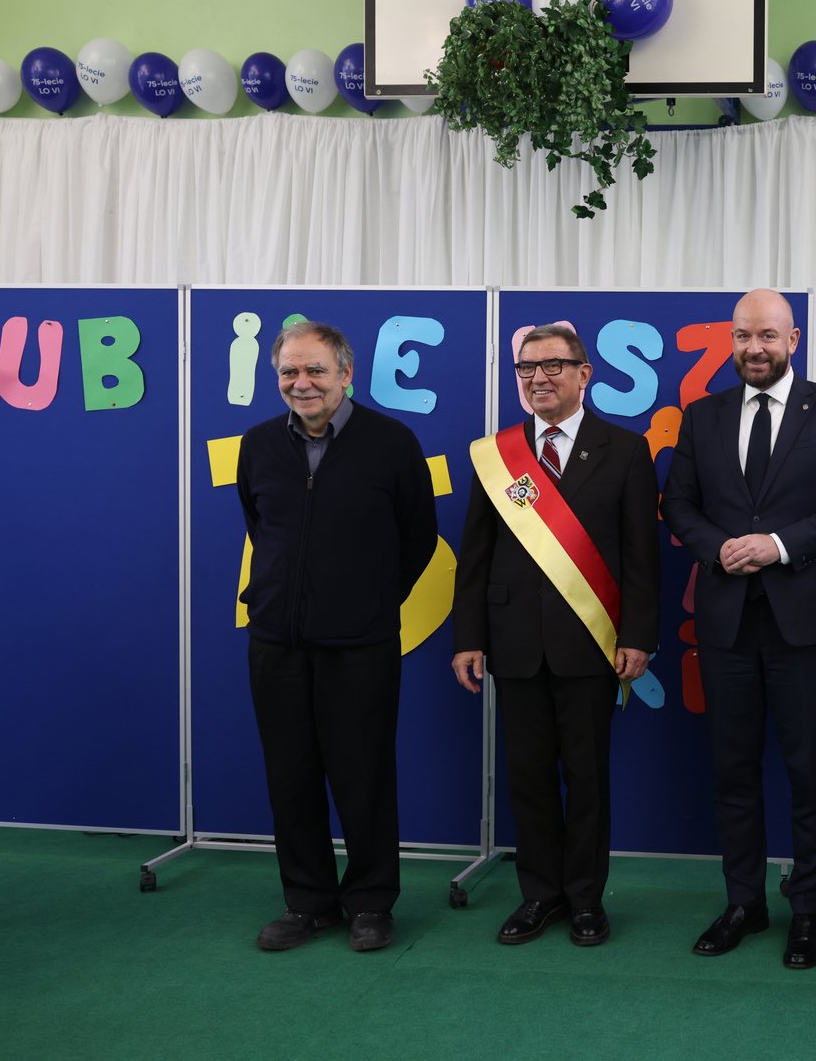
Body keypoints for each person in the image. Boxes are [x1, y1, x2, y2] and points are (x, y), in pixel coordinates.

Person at [661, 289, 816, 970]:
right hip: (725, 624)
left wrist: (777, 545)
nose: (754, 348)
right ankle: (743, 903)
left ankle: (807, 909)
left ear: (793, 339)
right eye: (743, 336)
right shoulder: (703, 415)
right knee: (733, 771)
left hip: (805, 626)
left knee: (811, 772)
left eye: (767, 336)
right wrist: (715, 547)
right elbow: (678, 503)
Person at [451, 325, 660, 948]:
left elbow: (641, 556)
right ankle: (540, 895)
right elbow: (475, 554)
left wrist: (638, 634)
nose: (538, 378)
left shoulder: (626, 450)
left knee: (588, 777)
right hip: (513, 641)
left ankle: (586, 899)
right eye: (526, 368)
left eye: (553, 366)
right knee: (529, 776)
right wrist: (468, 637)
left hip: (591, 643)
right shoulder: (496, 454)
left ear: (584, 374)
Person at [236, 321, 437, 954]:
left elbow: (418, 538)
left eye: (316, 370)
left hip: (361, 643)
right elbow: (260, 525)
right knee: (290, 776)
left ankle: (372, 903)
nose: (302, 383)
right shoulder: (258, 444)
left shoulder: (392, 442)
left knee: (363, 775)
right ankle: (308, 902)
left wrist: (368, 601)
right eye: (289, 372)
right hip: (276, 640)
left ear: (346, 375)